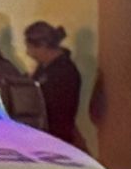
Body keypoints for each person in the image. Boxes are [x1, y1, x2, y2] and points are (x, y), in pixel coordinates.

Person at [24, 20, 86, 149]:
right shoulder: (45, 68)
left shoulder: (64, 71)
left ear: (42, 45)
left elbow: (53, 108)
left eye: (30, 47)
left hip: (55, 138)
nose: (28, 53)